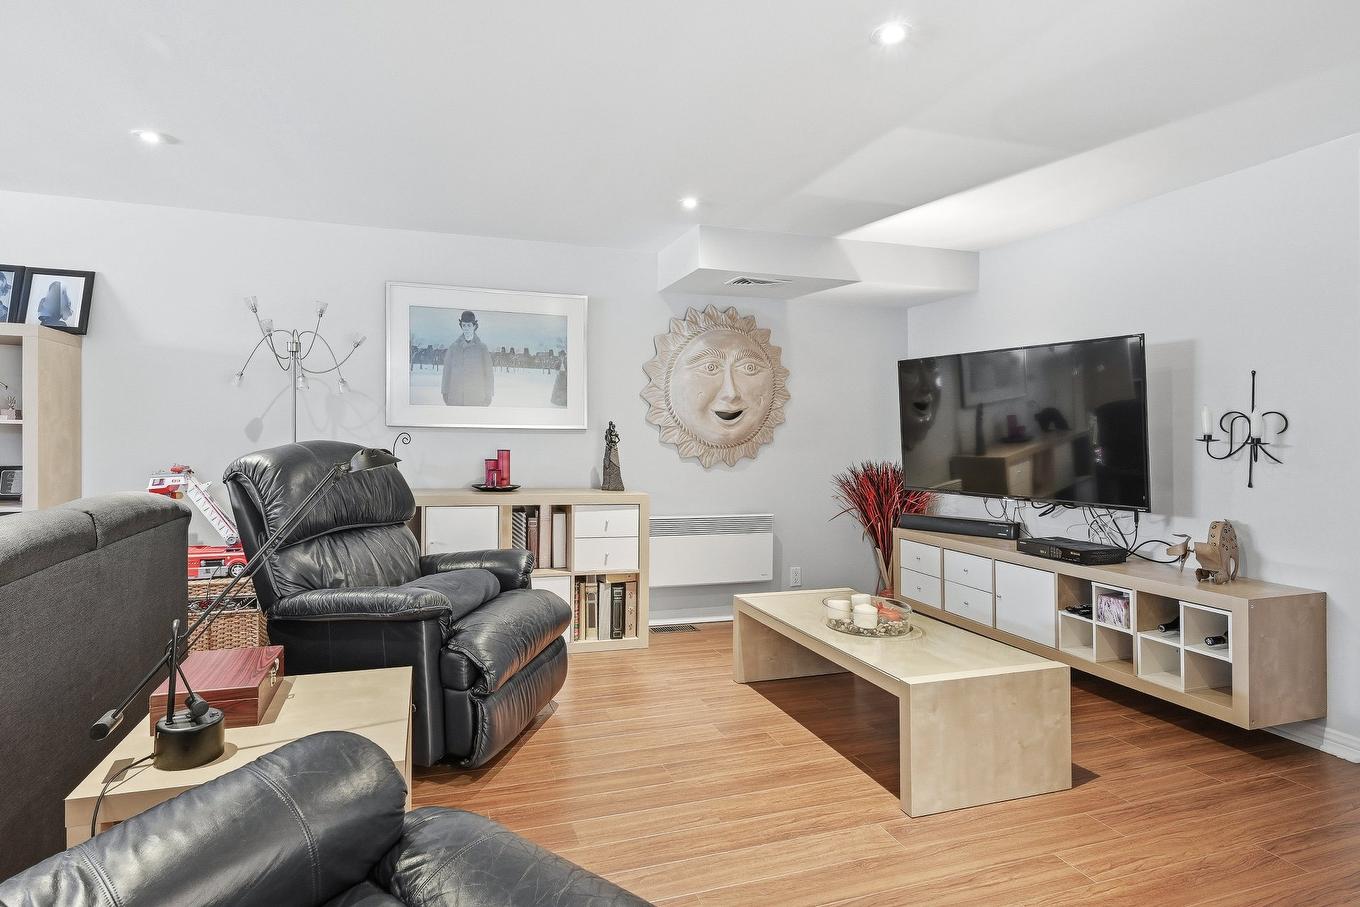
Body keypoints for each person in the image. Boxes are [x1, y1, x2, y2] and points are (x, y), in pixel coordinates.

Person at [440, 310, 494, 406]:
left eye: (469, 325)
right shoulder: (453, 348)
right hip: (456, 398)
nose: (466, 328)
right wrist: (445, 392)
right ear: (461, 326)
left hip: (477, 398)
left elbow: (488, 373)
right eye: (464, 325)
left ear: (474, 326)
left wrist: (488, 394)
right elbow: (447, 371)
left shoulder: (482, 348)